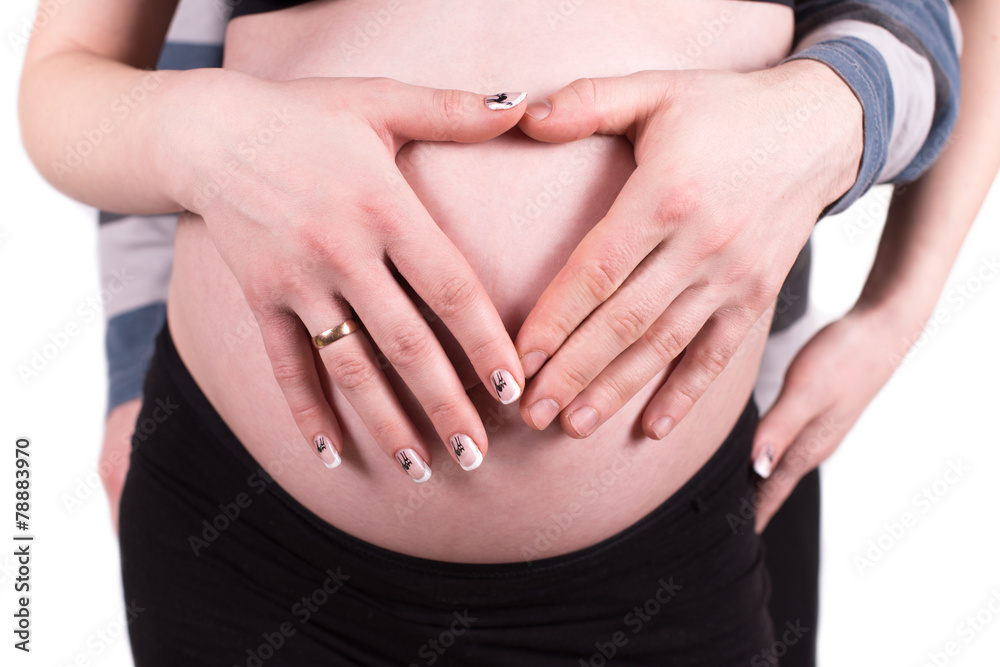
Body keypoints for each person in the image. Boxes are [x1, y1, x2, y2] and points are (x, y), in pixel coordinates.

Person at [19, 0, 960, 664]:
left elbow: (947, 25)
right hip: (246, 532)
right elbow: (69, 86)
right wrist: (202, 140)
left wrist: (896, 309)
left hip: (677, 538)